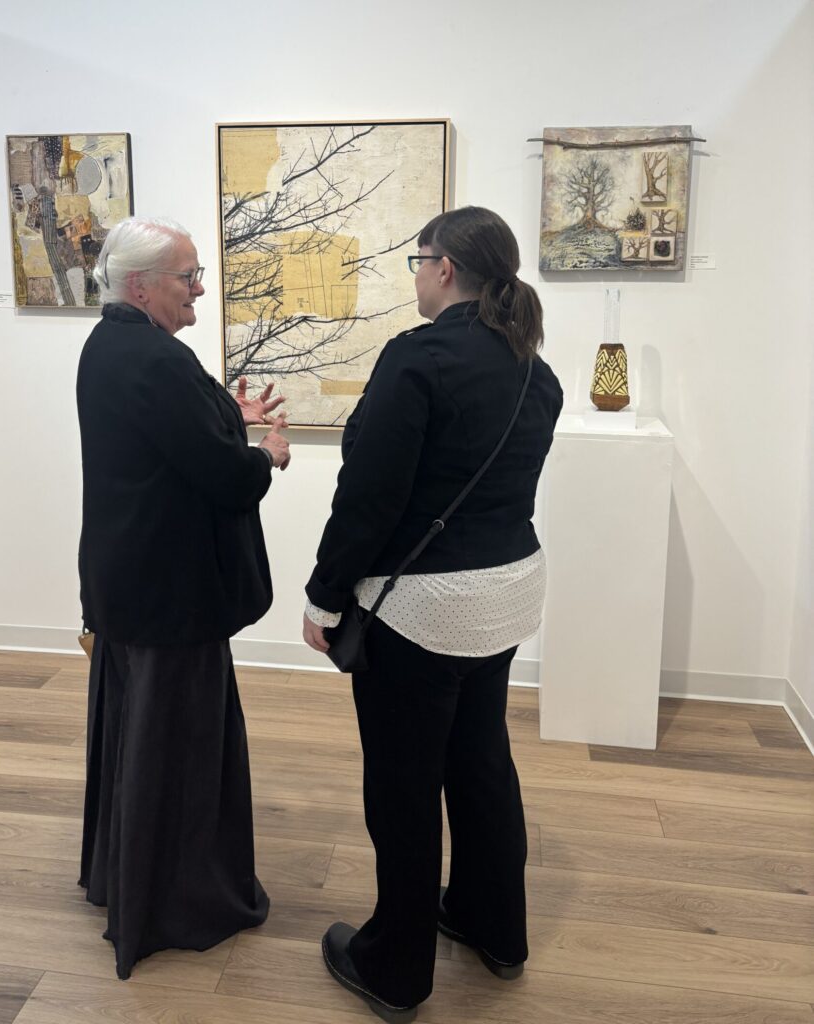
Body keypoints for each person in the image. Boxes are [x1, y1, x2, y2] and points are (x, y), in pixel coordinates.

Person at [303, 206, 563, 1022]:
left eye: (418, 260)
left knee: (404, 784)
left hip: (422, 608)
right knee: (481, 760)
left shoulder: (416, 360)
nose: (414, 275)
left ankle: (395, 967)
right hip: (507, 592)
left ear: (445, 267)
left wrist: (323, 593)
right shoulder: (535, 369)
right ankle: (495, 927)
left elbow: (368, 499)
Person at [76, 216, 290, 980]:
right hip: (168, 592)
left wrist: (224, 419)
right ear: (141, 285)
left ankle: (124, 878)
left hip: (128, 580)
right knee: (175, 746)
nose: (201, 287)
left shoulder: (109, 345)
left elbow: (161, 443)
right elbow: (225, 478)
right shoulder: (158, 361)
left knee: (139, 736)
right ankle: (177, 900)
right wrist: (263, 452)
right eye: (188, 275)